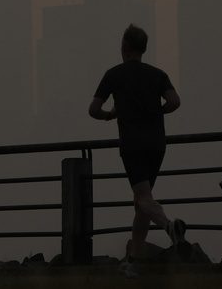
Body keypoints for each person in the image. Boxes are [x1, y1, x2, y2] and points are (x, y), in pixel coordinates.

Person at [89, 24, 186, 277]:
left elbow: (93, 109)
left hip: (132, 143)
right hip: (157, 143)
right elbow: (174, 101)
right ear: (143, 48)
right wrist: (157, 112)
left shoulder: (114, 75)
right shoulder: (157, 74)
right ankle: (133, 262)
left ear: (124, 46)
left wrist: (110, 116)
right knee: (142, 201)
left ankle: (169, 226)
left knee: (143, 198)